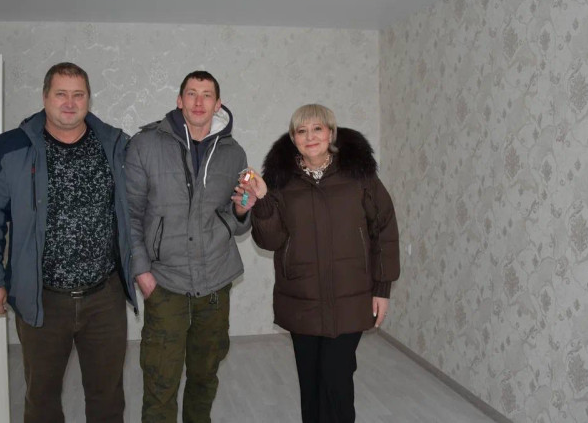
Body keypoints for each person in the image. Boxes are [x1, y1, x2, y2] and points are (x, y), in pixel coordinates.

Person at [0, 62, 135, 423]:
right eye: (61, 94)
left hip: (103, 298)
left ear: (89, 99)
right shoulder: (12, 147)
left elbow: (147, 195)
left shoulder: (115, 145)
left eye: (78, 95)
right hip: (41, 298)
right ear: (45, 97)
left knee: (108, 398)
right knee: (41, 398)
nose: (70, 103)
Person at [242, 103, 399, 423]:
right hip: (302, 298)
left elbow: (383, 229)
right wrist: (262, 201)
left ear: (331, 133)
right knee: (311, 381)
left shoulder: (359, 175)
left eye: (317, 128)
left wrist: (382, 289)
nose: (310, 136)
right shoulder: (280, 181)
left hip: (350, 296)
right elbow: (270, 241)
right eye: (301, 131)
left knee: (335, 378)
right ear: (293, 138)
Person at [126, 70, 254, 423]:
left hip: (216, 283)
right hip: (165, 283)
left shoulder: (233, 152)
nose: (199, 102)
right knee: (160, 381)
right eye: (192, 94)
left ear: (218, 104)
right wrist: (142, 273)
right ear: (179, 100)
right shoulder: (145, 145)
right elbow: (130, 215)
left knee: (204, 377)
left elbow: (236, 216)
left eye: (207, 95)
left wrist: (242, 210)